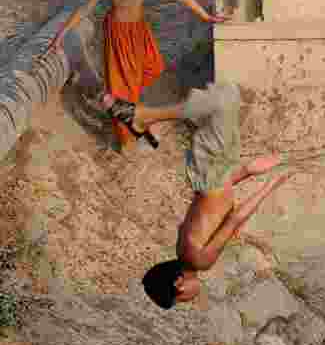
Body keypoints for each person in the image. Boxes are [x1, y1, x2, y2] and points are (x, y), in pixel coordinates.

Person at [101, 82, 292, 309]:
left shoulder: (201, 261)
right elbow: (209, 204)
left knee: (221, 102)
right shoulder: (182, 249)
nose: (188, 300)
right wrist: (247, 171)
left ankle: (143, 117)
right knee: (227, 95)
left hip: (212, 171)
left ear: (179, 285)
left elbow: (235, 218)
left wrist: (271, 186)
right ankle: (145, 117)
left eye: (181, 299)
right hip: (214, 175)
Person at [44, 0, 228, 150]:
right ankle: (126, 139)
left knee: (152, 72)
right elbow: (85, 8)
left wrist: (205, 16)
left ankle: (140, 120)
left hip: (140, 31)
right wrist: (59, 37)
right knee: (122, 87)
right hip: (118, 35)